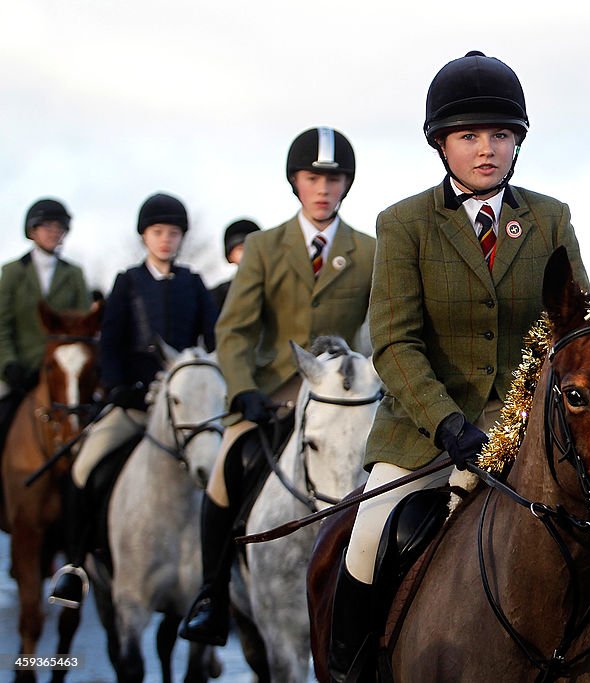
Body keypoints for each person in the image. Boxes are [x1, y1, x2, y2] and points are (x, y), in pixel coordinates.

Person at [330, 51, 590, 679]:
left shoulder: (551, 218)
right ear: (441, 144)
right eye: (469, 136)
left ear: (517, 143)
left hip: (530, 432)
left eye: (501, 135)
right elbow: (394, 344)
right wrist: (449, 425)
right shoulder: (404, 224)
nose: (486, 149)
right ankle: (350, 670)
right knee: (365, 543)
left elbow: (575, 330)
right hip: (425, 435)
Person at [180, 127, 375, 646]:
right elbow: (234, 329)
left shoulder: (370, 249)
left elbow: (376, 331)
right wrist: (241, 386)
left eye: (333, 178)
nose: (323, 188)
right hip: (271, 395)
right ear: (296, 181)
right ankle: (213, 593)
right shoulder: (265, 247)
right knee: (229, 467)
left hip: (340, 398)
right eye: (313, 177)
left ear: (345, 185)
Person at [50, 192, 217, 608]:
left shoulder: (194, 285)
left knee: (223, 469)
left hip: (184, 411)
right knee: (84, 468)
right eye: (158, 232)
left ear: (181, 238)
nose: (166, 240)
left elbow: (213, 342)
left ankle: (222, 574)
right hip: (134, 405)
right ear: (145, 236)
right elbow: (110, 344)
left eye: (173, 233)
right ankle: (74, 567)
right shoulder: (127, 282)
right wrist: (118, 384)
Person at [0, 198, 91, 451]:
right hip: (21, 368)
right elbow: (2, 325)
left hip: (63, 369)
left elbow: (84, 326)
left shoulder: (74, 274)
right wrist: (9, 364)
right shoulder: (12, 272)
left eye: (58, 227)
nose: (53, 232)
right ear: (32, 231)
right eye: (47, 226)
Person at [209, 218, 260, 314]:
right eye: (240, 249)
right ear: (230, 256)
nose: (247, 253)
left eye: (251, 248)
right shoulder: (218, 296)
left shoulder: (278, 288)